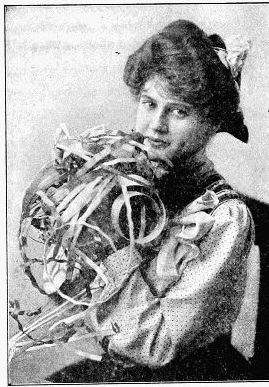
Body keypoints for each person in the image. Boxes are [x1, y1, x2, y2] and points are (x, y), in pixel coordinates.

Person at [48, 19, 254, 382]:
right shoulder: (127, 182)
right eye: (149, 103)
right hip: (121, 365)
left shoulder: (224, 218)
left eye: (178, 111)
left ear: (211, 123)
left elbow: (158, 344)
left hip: (187, 375)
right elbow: (76, 299)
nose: (155, 124)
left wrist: (110, 248)